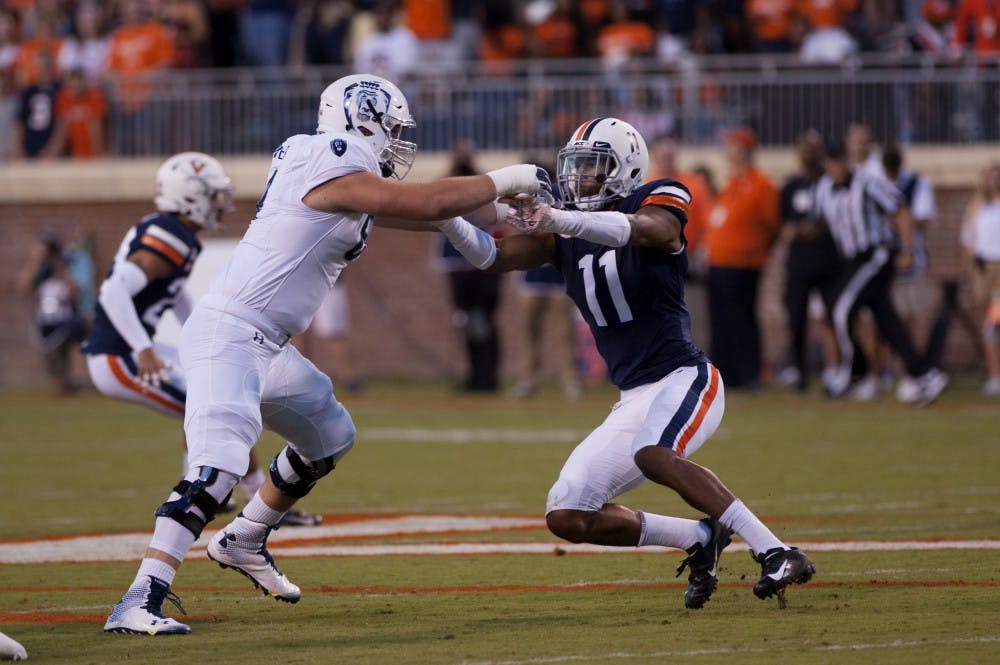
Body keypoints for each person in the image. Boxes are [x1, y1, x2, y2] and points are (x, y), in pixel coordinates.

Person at [103, 73, 551, 634]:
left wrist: (533, 218)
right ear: (360, 117)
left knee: (329, 435)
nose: (395, 142)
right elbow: (431, 199)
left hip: (268, 344)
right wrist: (511, 174)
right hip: (230, 335)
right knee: (214, 470)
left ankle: (245, 536)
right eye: (391, 128)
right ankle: (139, 599)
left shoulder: (349, 180)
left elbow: (465, 232)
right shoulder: (322, 154)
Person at [436, 117, 815, 610]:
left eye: (593, 167)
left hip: (684, 377)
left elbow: (648, 230)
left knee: (655, 455)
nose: (580, 179)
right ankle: (699, 536)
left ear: (626, 169)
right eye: (576, 168)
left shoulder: (658, 196)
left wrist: (559, 219)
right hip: (633, 395)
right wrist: (442, 216)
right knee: (567, 512)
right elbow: (491, 255)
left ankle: (777, 550)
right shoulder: (565, 233)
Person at [81, 152, 312, 525]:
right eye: (212, 195)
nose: (220, 204)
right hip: (120, 357)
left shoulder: (174, 232)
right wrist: (142, 348)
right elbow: (113, 293)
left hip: (132, 350)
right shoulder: (169, 235)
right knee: (217, 402)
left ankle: (210, 493)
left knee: (213, 390)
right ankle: (252, 499)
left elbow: (175, 295)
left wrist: (204, 335)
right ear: (189, 196)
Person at [812, 142, 948, 405]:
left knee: (841, 309)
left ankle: (853, 372)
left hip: (876, 254)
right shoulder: (824, 189)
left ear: (847, 160)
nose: (836, 167)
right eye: (830, 162)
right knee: (886, 318)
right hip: (850, 260)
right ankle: (922, 373)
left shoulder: (868, 183)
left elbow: (901, 210)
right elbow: (819, 224)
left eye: (839, 160)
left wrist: (908, 249)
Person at [705, 127, 780, 389]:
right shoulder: (730, 184)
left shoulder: (761, 184)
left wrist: (755, 250)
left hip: (744, 264)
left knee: (742, 321)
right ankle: (727, 376)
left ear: (745, 149)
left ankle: (750, 374)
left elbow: (772, 225)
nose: (728, 152)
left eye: (732, 146)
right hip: (719, 263)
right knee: (721, 322)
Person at [777, 129, 839, 392]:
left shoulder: (830, 183)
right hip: (799, 264)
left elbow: (831, 221)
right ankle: (799, 372)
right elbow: (783, 225)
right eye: (805, 148)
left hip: (827, 262)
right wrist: (800, 230)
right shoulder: (791, 186)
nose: (808, 153)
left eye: (813, 147)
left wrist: (805, 230)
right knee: (796, 319)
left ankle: (836, 371)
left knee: (833, 318)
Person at [18, 227, 87, 395]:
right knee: (56, 375)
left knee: (78, 335)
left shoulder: (68, 262)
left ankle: (79, 381)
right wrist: (35, 260)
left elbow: (75, 292)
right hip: (46, 322)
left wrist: (60, 267)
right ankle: (61, 383)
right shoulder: (38, 268)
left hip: (67, 318)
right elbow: (23, 288)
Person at [960, 162, 1000, 396]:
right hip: (982, 268)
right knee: (987, 325)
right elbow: (968, 241)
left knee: (995, 322)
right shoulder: (976, 206)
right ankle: (994, 375)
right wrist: (965, 270)